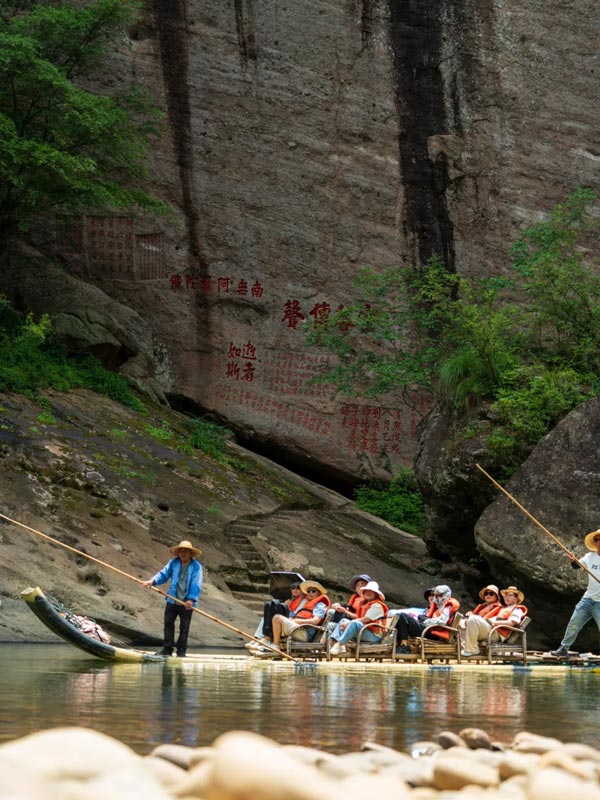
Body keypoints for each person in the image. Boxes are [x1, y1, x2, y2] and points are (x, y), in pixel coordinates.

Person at [142, 539, 203, 657]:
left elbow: (196, 583)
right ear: (178, 553)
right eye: (181, 551)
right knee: (168, 623)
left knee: (184, 627)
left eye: (186, 551)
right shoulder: (173, 563)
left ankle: (181, 651)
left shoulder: (196, 566)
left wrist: (190, 599)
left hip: (187, 603)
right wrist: (152, 581)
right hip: (172, 599)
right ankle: (167, 650)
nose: (183, 553)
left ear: (190, 553)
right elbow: (163, 574)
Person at [551, 529, 600, 658]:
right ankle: (563, 649)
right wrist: (573, 560)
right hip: (588, 599)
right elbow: (577, 566)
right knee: (574, 623)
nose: (599, 541)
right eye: (597, 539)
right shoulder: (590, 557)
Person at [255, 580, 330, 654]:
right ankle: (266, 640)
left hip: (305, 633)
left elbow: (315, 621)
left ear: (319, 593)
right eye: (309, 591)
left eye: (313, 591)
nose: (310, 593)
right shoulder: (307, 602)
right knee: (272, 609)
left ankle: (275, 646)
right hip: (298, 628)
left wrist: (295, 621)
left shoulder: (320, 604)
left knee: (277, 618)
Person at [461, 586, 527, 657]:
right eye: (505, 596)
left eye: (510, 595)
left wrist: (494, 623)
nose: (506, 598)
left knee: (473, 619)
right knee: (463, 622)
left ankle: (472, 649)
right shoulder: (504, 609)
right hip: (492, 631)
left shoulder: (517, 609)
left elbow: (512, 622)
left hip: (496, 634)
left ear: (517, 598)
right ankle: (466, 647)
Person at [395, 585, 460, 655]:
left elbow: (442, 622)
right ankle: (402, 645)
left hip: (434, 633)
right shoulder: (437, 606)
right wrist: (424, 619)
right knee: (400, 616)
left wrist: (427, 621)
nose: (438, 598)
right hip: (430, 629)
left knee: (403, 616)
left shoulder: (448, 606)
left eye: (440, 595)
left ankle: (404, 646)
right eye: (437, 596)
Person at [329, 581, 389, 655]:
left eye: (371, 591)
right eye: (366, 591)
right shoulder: (365, 604)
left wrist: (349, 623)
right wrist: (345, 613)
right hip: (365, 631)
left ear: (376, 594)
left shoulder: (377, 606)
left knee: (353, 623)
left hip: (375, 636)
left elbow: (365, 619)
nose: (368, 593)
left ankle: (339, 644)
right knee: (343, 620)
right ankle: (335, 642)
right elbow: (358, 617)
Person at [246, 582, 307, 651]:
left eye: (298, 588)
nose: (295, 590)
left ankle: (262, 640)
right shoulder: (291, 600)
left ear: (303, 590)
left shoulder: (304, 601)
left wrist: (286, 607)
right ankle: (257, 638)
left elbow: (297, 614)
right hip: (287, 618)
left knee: (273, 609)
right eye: (293, 588)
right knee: (267, 616)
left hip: (292, 622)